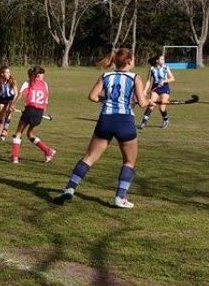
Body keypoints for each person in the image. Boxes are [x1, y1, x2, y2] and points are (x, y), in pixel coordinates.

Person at [54, 48, 148, 208]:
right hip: (125, 121)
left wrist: (105, 99)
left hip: (105, 120)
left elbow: (92, 96)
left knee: (89, 158)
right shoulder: (135, 78)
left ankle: (69, 189)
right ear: (129, 61)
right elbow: (142, 103)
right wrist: (147, 101)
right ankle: (120, 197)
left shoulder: (106, 76)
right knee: (129, 162)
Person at [10, 66, 56, 164]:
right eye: (43, 74)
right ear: (38, 75)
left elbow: (20, 94)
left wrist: (13, 105)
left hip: (30, 110)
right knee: (30, 134)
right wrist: (45, 113)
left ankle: (14, 158)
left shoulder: (28, 82)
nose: (43, 77)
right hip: (39, 113)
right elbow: (45, 101)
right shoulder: (45, 84)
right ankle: (48, 151)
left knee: (18, 133)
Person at [139, 54, 175, 129]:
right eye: (162, 59)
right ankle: (143, 123)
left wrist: (164, 81)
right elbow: (148, 81)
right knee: (151, 105)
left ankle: (166, 119)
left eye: (163, 59)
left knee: (162, 107)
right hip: (155, 88)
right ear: (157, 61)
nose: (163, 61)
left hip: (165, 88)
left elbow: (172, 78)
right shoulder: (152, 69)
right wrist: (145, 91)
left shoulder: (166, 67)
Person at [0, 65, 18, 140]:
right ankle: (0, 123)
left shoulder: (12, 81)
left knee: (8, 114)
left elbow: (16, 93)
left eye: (9, 72)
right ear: (2, 74)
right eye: (7, 72)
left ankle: (5, 130)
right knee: (0, 117)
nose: (9, 74)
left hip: (10, 98)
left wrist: (13, 104)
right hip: (2, 99)